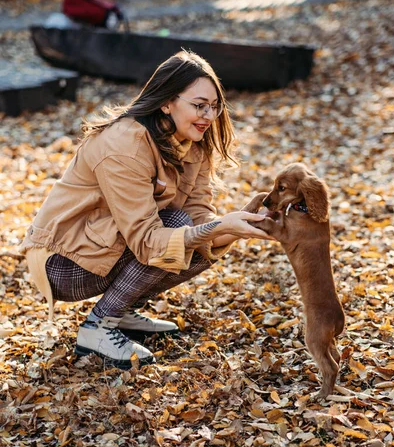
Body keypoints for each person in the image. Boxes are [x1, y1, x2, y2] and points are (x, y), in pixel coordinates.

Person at [20, 50, 271, 370]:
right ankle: (97, 327)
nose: (209, 115)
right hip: (61, 262)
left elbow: (198, 214)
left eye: (214, 106)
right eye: (199, 105)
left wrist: (231, 226)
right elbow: (147, 240)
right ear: (167, 102)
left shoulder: (193, 142)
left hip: (106, 246)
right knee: (179, 229)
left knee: (197, 245)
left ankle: (121, 311)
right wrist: (217, 228)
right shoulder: (124, 145)